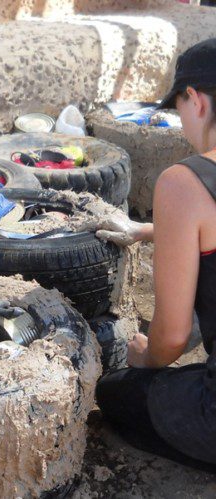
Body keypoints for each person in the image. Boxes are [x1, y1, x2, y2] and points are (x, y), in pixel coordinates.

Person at [93, 38, 216, 470]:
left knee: (115, 392)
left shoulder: (185, 182)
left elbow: (172, 339)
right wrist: (147, 230)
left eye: (178, 107)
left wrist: (145, 358)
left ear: (195, 100)